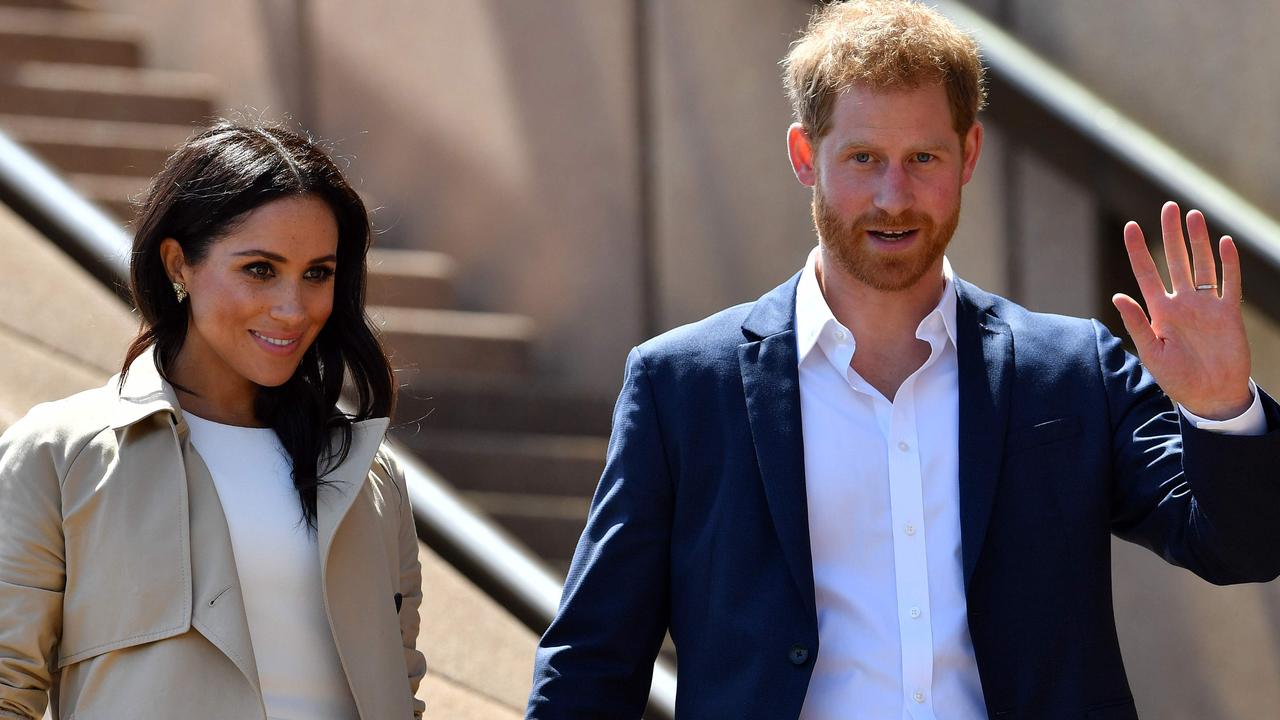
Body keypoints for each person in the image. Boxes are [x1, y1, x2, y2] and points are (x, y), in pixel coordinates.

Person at [526, 2, 1280, 718]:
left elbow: (1244, 546)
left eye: (923, 156)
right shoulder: (684, 387)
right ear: (803, 156)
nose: (894, 195)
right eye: (863, 158)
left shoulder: (1071, 370)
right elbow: (593, 661)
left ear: (969, 154)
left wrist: (1221, 408)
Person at [0, 122, 426, 719]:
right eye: (260, 269)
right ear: (179, 264)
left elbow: (399, 695)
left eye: (317, 274)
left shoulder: (371, 477)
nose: (292, 308)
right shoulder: (59, 455)